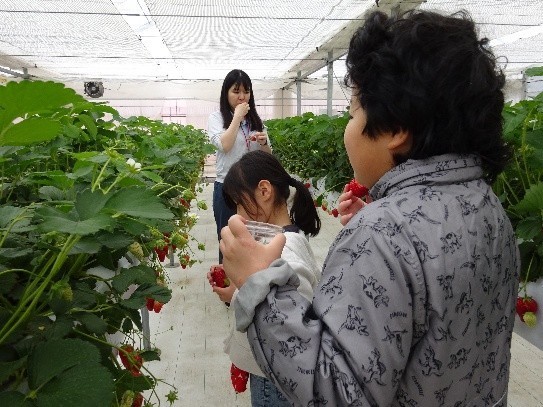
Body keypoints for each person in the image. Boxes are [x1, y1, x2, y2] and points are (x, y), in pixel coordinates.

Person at [219, 9, 520, 406]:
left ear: (395, 130)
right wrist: (388, 231)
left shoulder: (383, 233)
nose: (349, 127)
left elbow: (337, 392)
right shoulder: (489, 209)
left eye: (353, 112)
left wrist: (260, 287)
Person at [207, 150, 321, 406]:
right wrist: (236, 290)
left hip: (275, 379)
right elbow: (272, 296)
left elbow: (293, 325)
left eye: (239, 202)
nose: (237, 213)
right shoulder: (286, 238)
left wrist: (248, 281)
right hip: (272, 370)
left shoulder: (284, 252)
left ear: (264, 191)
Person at [208, 69, 272, 263]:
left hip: (253, 189)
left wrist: (263, 143)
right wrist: (237, 117)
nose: (242, 96)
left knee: (254, 241)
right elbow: (225, 145)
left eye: (246, 91)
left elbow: (268, 156)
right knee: (228, 240)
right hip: (227, 189)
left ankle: (253, 277)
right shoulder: (217, 118)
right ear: (226, 93)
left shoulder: (256, 121)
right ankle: (227, 279)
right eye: (236, 91)